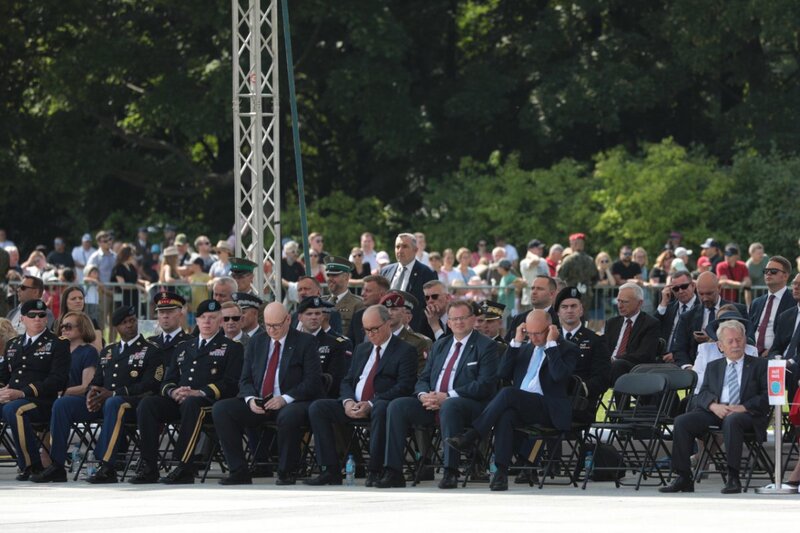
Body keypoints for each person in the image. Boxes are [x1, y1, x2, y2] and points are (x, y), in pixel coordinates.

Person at [446, 309, 579, 491]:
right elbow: (502, 373)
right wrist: (516, 342)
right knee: (505, 415)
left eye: (538, 333)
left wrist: (551, 345)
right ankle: (501, 473)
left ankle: (472, 436)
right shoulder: (524, 348)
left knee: (508, 393)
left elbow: (559, 376)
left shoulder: (566, 349)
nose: (533, 338)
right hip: (522, 406)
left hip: (548, 408)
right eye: (529, 333)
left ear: (550, 329)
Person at [34, 305, 164, 484]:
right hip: (103, 402)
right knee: (62, 404)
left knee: (114, 403)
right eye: (124, 322)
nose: (129, 325)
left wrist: (113, 393)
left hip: (132, 404)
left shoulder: (150, 349)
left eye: (132, 321)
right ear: (116, 327)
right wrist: (91, 394)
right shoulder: (109, 351)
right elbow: (97, 380)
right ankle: (57, 465)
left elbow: (151, 384)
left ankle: (107, 466)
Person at [378, 300, 498, 489]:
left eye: (463, 318)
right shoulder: (440, 345)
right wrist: (424, 395)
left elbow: (485, 385)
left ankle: (450, 471)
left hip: (469, 406)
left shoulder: (486, 346)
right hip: (433, 402)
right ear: (448, 322)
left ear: (473, 319)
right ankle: (393, 471)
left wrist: (448, 396)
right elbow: (423, 377)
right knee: (397, 406)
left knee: (450, 406)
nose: (458, 322)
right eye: (454, 319)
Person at [130, 300, 243, 484]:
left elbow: (231, 383)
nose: (207, 321)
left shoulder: (231, 348)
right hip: (181, 400)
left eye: (213, 318)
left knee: (192, 404)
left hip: (209, 403)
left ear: (220, 321)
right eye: (203, 318)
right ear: (196, 321)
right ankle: (149, 465)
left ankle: (184, 467)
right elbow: (167, 380)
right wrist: (173, 392)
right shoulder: (184, 347)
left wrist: (200, 392)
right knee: (148, 404)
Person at [304, 305, 416, 486]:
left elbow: (404, 386)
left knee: (381, 408)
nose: (371, 334)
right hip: (354, 404)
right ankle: (330, 469)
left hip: (380, 404)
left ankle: (375, 470)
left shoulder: (405, 350)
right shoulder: (362, 349)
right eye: (366, 330)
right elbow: (347, 381)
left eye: (375, 329)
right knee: (319, 407)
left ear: (388, 324)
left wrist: (370, 403)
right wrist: (348, 401)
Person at [212, 302, 321, 486]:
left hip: (292, 401)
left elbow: (312, 381)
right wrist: (250, 399)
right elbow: (245, 379)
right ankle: (238, 470)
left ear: (288, 320)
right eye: (268, 325)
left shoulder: (305, 342)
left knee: (289, 415)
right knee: (222, 409)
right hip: (261, 401)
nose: (272, 330)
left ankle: (286, 471)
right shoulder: (257, 341)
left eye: (276, 325)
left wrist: (284, 399)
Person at [659, 320, 768, 494]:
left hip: (747, 414)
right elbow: (702, 394)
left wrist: (743, 407)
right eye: (730, 341)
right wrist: (713, 406)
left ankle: (733, 477)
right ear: (720, 345)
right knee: (682, 421)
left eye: (739, 340)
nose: (735, 345)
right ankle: (683, 477)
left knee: (732, 421)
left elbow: (766, 396)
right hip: (717, 410)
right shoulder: (713, 367)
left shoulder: (760, 365)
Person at [0, 299, 70, 480]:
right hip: (11, 398)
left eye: (42, 315)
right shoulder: (13, 344)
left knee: (14, 410)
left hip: (41, 402)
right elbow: (2, 377)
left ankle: (32, 465)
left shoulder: (58, 343)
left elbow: (58, 380)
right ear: (22, 319)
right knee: (10, 406)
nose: (37, 319)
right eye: (32, 315)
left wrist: (23, 393)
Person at [554, 287, 610, 423]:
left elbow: (602, 378)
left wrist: (581, 389)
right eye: (564, 307)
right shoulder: (550, 339)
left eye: (574, 306)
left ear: (581, 310)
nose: (569, 310)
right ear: (558, 313)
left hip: (579, 403)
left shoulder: (595, 340)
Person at [672, 272, 749, 369]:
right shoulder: (687, 317)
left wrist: (712, 339)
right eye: (701, 294)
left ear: (719, 288)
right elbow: (679, 349)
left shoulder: (737, 311)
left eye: (709, 293)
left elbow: (748, 340)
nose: (705, 298)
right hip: (696, 369)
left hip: (732, 366)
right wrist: (689, 368)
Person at [604, 282, 661, 384]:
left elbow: (644, 355)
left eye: (625, 302)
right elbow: (604, 348)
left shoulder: (650, 324)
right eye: (618, 301)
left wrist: (615, 359)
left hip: (634, 368)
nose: (620, 306)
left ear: (639, 303)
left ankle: (621, 401)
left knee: (618, 365)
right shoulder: (612, 323)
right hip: (608, 366)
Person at [380, 233, 438, 331]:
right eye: (397, 247)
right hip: (386, 327)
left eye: (405, 246)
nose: (400, 250)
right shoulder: (385, 271)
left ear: (415, 250)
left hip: (412, 330)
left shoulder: (427, 273)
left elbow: (431, 305)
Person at [296, 296, 350, 398]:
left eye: (317, 313)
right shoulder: (292, 342)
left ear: (322, 317)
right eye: (309, 314)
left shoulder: (336, 344)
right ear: (300, 317)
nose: (314, 317)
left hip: (319, 398)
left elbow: (335, 382)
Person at [749, 256, 793, 356]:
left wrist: (770, 352)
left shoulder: (793, 303)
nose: (768, 273)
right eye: (766, 271)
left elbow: (790, 337)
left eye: (773, 271)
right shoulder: (756, 303)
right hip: (751, 354)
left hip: (777, 356)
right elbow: (749, 330)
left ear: (785, 276)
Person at [380, 292, 433, 371]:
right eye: (385, 309)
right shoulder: (375, 337)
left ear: (408, 316)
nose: (389, 313)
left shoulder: (418, 342)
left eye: (394, 309)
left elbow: (419, 376)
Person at [655, 270, 698, 363]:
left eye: (684, 286)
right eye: (676, 289)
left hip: (688, 359)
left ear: (693, 286)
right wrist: (663, 303)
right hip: (663, 358)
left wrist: (676, 355)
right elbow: (653, 326)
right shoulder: (669, 307)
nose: (681, 291)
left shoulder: (701, 307)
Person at [504, 275, 559, 342]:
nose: (534, 292)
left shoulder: (559, 320)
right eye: (532, 288)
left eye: (539, 289)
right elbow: (507, 345)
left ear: (552, 294)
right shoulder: (519, 319)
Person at [56, 312, 99, 397]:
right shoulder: (58, 351)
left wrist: (59, 393)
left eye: (68, 326)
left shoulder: (90, 351)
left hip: (78, 400)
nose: (63, 329)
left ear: (82, 328)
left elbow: (85, 387)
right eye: (62, 326)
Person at [148, 291, 191, 368]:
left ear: (180, 315)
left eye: (170, 312)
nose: (165, 316)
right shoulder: (150, 343)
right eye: (161, 312)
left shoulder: (190, 342)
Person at [323, 256, 364, 334]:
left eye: (334, 275)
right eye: (328, 275)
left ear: (346, 277)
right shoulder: (321, 302)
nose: (330, 279)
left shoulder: (358, 304)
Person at [558, 233, 598, 310]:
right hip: (586, 294)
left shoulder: (569, 259)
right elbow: (595, 278)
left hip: (570, 293)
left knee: (570, 316)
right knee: (584, 317)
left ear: (575, 244)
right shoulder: (590, 260)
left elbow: (560, 276)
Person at [57, 287, 104, 352]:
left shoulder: (92, 322)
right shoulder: (57, 323)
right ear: (65, 302)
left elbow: (98, 349)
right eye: (73, 299)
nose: (78, 301)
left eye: (81, 298)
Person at [347, 275, 390, 346]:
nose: (362, 294)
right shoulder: (358, 316)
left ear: (382, 294)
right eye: (363, 290)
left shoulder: (390, 316)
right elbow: (350, 344)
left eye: (368, 291)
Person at [111, 244, 142, 310]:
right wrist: (137, 286)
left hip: (133, 297)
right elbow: (123, 285)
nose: (134, 256)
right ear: (127, 255)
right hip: (123, 299)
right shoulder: (118, 268)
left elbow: (135, 280)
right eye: (132, 254)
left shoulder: (131, 267)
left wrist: (145, 282)